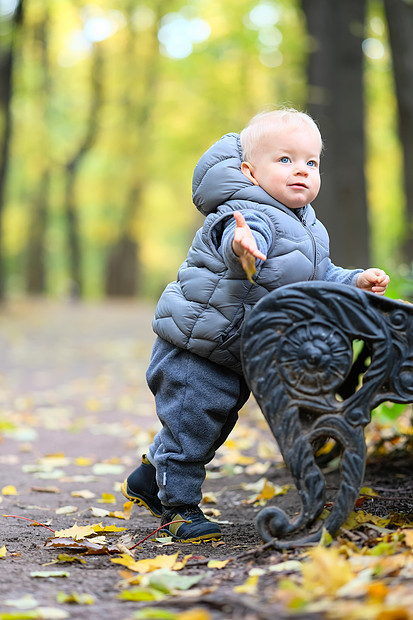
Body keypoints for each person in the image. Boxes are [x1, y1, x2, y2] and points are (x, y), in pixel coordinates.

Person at [121, 108, 390, 543]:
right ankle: (179, 511)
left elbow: (320, 277)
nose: (300, 170)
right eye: (284, 160)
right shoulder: (246, 210)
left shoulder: (309, 228)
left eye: (311, 162)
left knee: (210, 426)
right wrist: (244, 244)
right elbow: (238, 234)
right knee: (192, 427)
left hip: (236, 351)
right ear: (250, 172)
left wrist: (354, 281)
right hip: (199, 346)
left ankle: (148, 478)